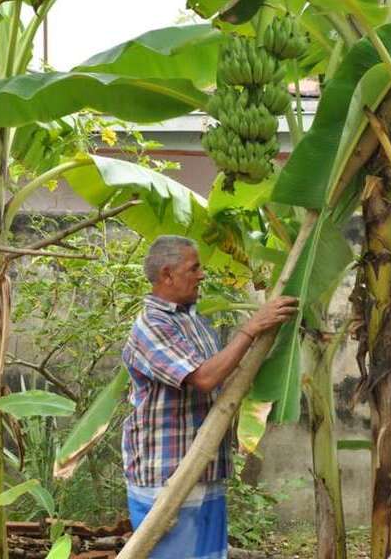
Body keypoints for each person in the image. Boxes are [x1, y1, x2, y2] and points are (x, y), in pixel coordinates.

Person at [122, 235, 298, 558]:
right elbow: (204, 377)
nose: (202, 274)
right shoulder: (151, 326)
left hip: (206, 470)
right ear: (167, 275)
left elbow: (226, 373)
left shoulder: (195, 321)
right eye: (194, 268)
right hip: (169, 476)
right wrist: (252, 327)